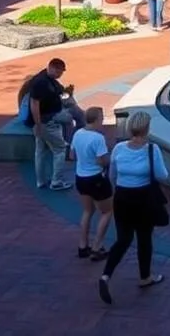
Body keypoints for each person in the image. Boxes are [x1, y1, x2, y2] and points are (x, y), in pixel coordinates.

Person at [98, 110, 168, 304]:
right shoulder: (152, 150)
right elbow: (163, 176)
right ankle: (145, 277)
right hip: (144, 198)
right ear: (147, 129)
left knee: (123, 239)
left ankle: (106, 275)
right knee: (144, 239)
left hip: (122, 197)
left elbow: (112, 175)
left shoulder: (119, 148)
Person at [72, 107, 113, 261]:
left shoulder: (77, 134)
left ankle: (83, 245)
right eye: (101, 118)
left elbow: (72, 154)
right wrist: (108, 160)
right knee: (107, 211)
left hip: (80, 178)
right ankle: (97, 246)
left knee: (87, 211)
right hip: (96, 178)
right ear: (96, 119)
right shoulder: (98, 138)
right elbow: (101, 160)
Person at [27, 58, 75, 191]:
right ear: (53, 68)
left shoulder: (48, 79)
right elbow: (34, 104)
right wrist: (38, 125)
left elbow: (59, 92)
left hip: (44, 121)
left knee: (40, 151)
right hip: (46, 122)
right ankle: (56, 181)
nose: (61, 75)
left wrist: (67, 91)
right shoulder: (40, 82)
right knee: (59, 149)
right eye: (60, 72)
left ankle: (40, 181)